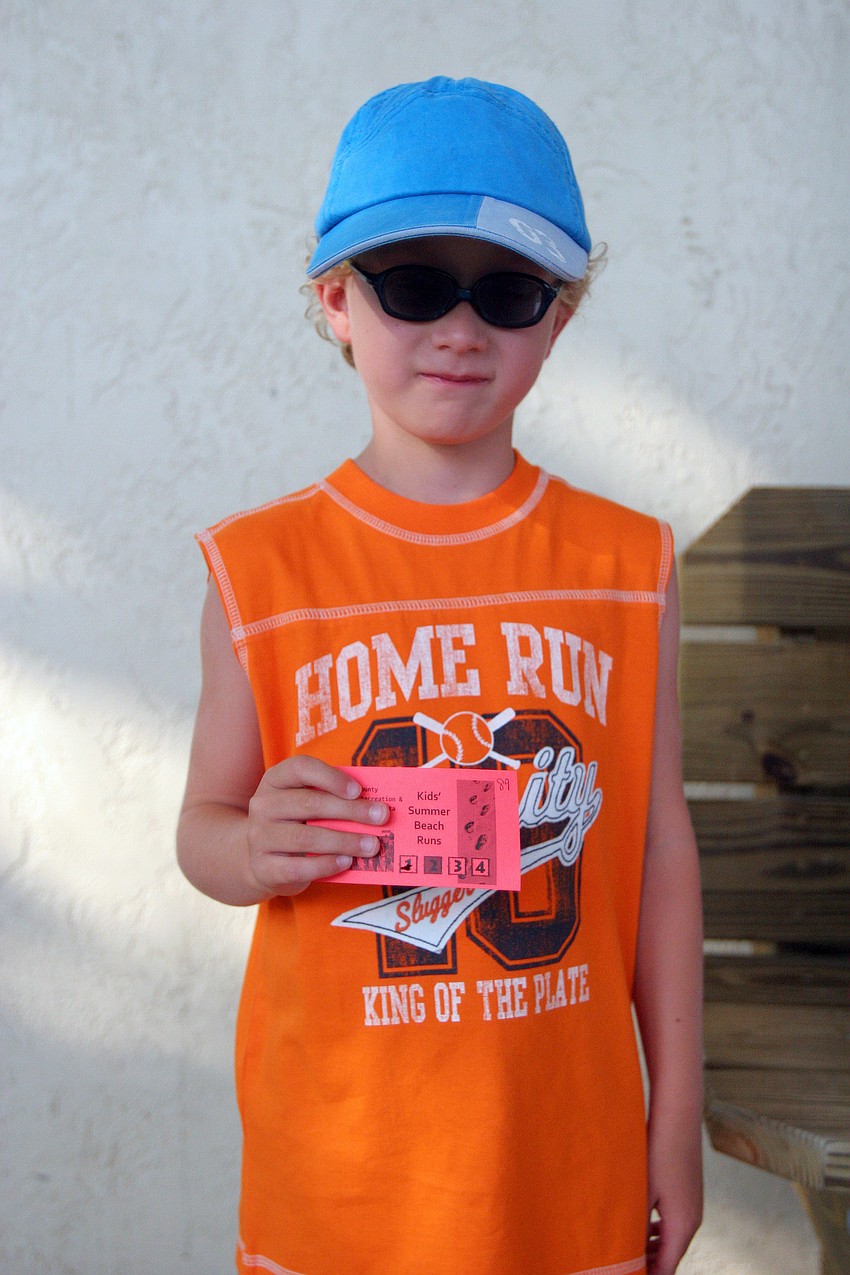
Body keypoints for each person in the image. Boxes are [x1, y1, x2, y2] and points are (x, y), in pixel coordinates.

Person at [177, 76, 704, 1275]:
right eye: (414, 286)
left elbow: (657, 846)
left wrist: (672, 1120)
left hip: (562, 1169)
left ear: (557, 320)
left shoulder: (627, 563)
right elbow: (203, 830)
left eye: (507, 292)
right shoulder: (258, 567)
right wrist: (251, 846)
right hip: (341, 1175)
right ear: (335, 304)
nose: (460, 329)